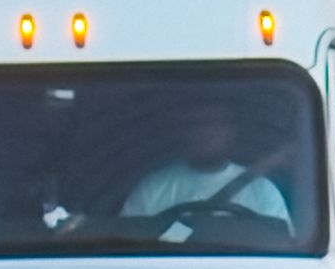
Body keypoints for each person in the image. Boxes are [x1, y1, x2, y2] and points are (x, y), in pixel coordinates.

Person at [105, 85, 308, 251]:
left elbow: (281, 249)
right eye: (198, 126)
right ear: (185, 133)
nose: (206, 134)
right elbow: (129, 248)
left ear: (231, 134)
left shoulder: (262, 191)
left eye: (214, 126)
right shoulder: (153, 188)